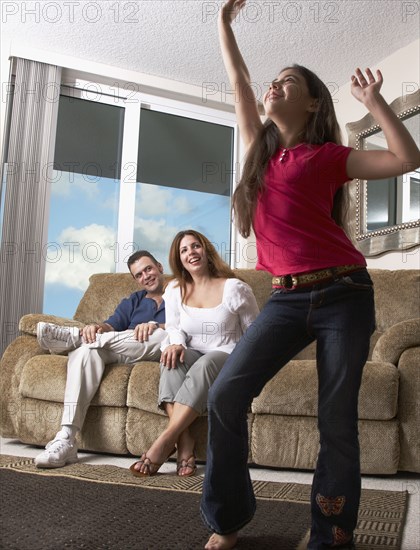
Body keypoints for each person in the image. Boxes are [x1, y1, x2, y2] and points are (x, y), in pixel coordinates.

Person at [200, 1, 420, 549]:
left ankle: (332, 533)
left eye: (288, 81)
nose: (274, 86)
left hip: (344, 292)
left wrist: (375, 103)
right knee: (225, 395)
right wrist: (223, 25)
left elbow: (405, 159)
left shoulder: (329, 155)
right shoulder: (259, 155)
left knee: (336, 420)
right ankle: (228, 518)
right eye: (273, 82)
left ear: (313, 101)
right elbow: (239, 82)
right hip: (285, 299)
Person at [129, 230, 259, 477]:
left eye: (195, 246)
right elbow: (175, 327)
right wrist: (176, 343)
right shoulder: (176, 289)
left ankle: (166, 439)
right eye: (184, 250)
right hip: (193, 351)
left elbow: (254, 334)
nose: (191, 253)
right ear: (178, 259)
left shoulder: (234, 288)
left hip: (227, 354)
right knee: (170, 358)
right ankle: (184, 440)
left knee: (206, 363)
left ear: (206, 250)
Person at [34, 250, 166, 469]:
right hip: (126, 347)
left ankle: (73, 338)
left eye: (149, 269)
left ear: (160, 267)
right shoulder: (134, 300)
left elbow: (190, 327)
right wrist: (96, 329)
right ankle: (66, 438)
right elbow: (111, 325)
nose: (146, 276)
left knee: (161, 335)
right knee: (85, 350)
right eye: (139, 275)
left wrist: (155, 325)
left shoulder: (181, 292)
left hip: (160, 346)